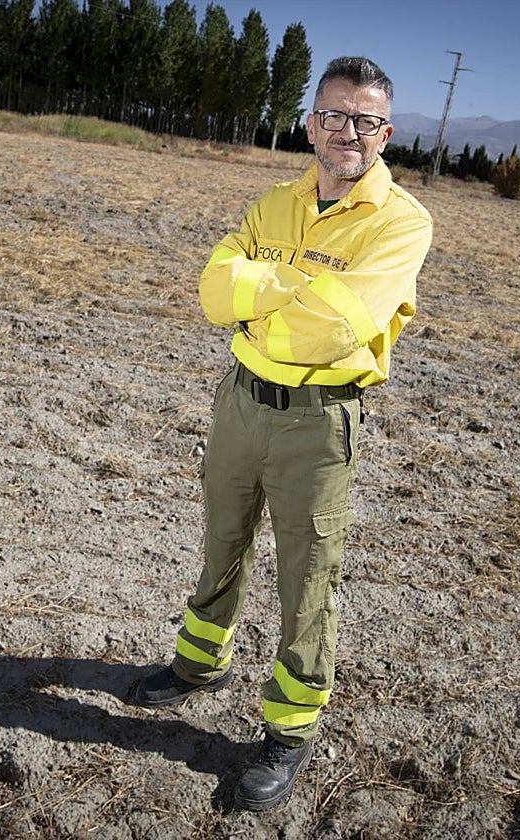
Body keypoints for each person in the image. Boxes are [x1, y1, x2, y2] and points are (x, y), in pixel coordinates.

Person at [132, 56, 433, 811]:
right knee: (222, 539)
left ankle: (290, 731)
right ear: (310, 123)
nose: (347, 131)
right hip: (239, 402)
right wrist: (287, 291)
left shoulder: (401, 223)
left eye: (365, 120)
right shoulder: (272, 202)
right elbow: (210, 290)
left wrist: (256, 297)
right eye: (333, 114)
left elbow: (336, 328)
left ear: (386, 133)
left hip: (318, 423)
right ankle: (201, 665)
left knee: (308, 579)